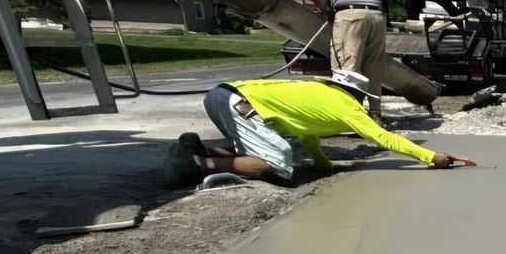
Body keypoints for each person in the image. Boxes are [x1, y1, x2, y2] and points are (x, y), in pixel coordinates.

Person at [165, 69, 472, 187]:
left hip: (220, 94)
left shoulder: (323, 94)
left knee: (258, 145)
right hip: (239, 104)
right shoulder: (348, 107)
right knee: (278, 162)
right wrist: (431, 156)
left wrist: (323, 164)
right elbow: (384, 138)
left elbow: (308, 133)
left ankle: (198, 149)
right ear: (358, 95)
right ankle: (196, 164)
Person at [301, 0, 388, 104]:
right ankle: (375, 113)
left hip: (348, 14)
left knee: (347, 71)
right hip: (376, 14)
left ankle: (350, 113)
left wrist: (325, 10)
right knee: (373, 69)